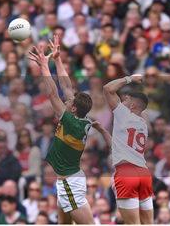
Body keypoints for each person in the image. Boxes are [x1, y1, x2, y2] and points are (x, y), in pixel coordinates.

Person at [28, 35, 109, 224]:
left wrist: (44, 66)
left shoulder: (70, 122)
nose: (68, 99)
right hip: (69, 179)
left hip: (69, 182)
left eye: (70, 101)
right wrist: (57, 59)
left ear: (73, 109)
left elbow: (52, 93)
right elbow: (66, 85)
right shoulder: (80, 118)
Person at [103, 74, 154, 224]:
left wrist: (130, 78)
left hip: (126, 172)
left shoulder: (123, 114)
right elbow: (142, 105)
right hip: (144, 173)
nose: (122, 101)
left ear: (132, 106)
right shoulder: (144, 123)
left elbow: (107, 89)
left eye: (126, 100)